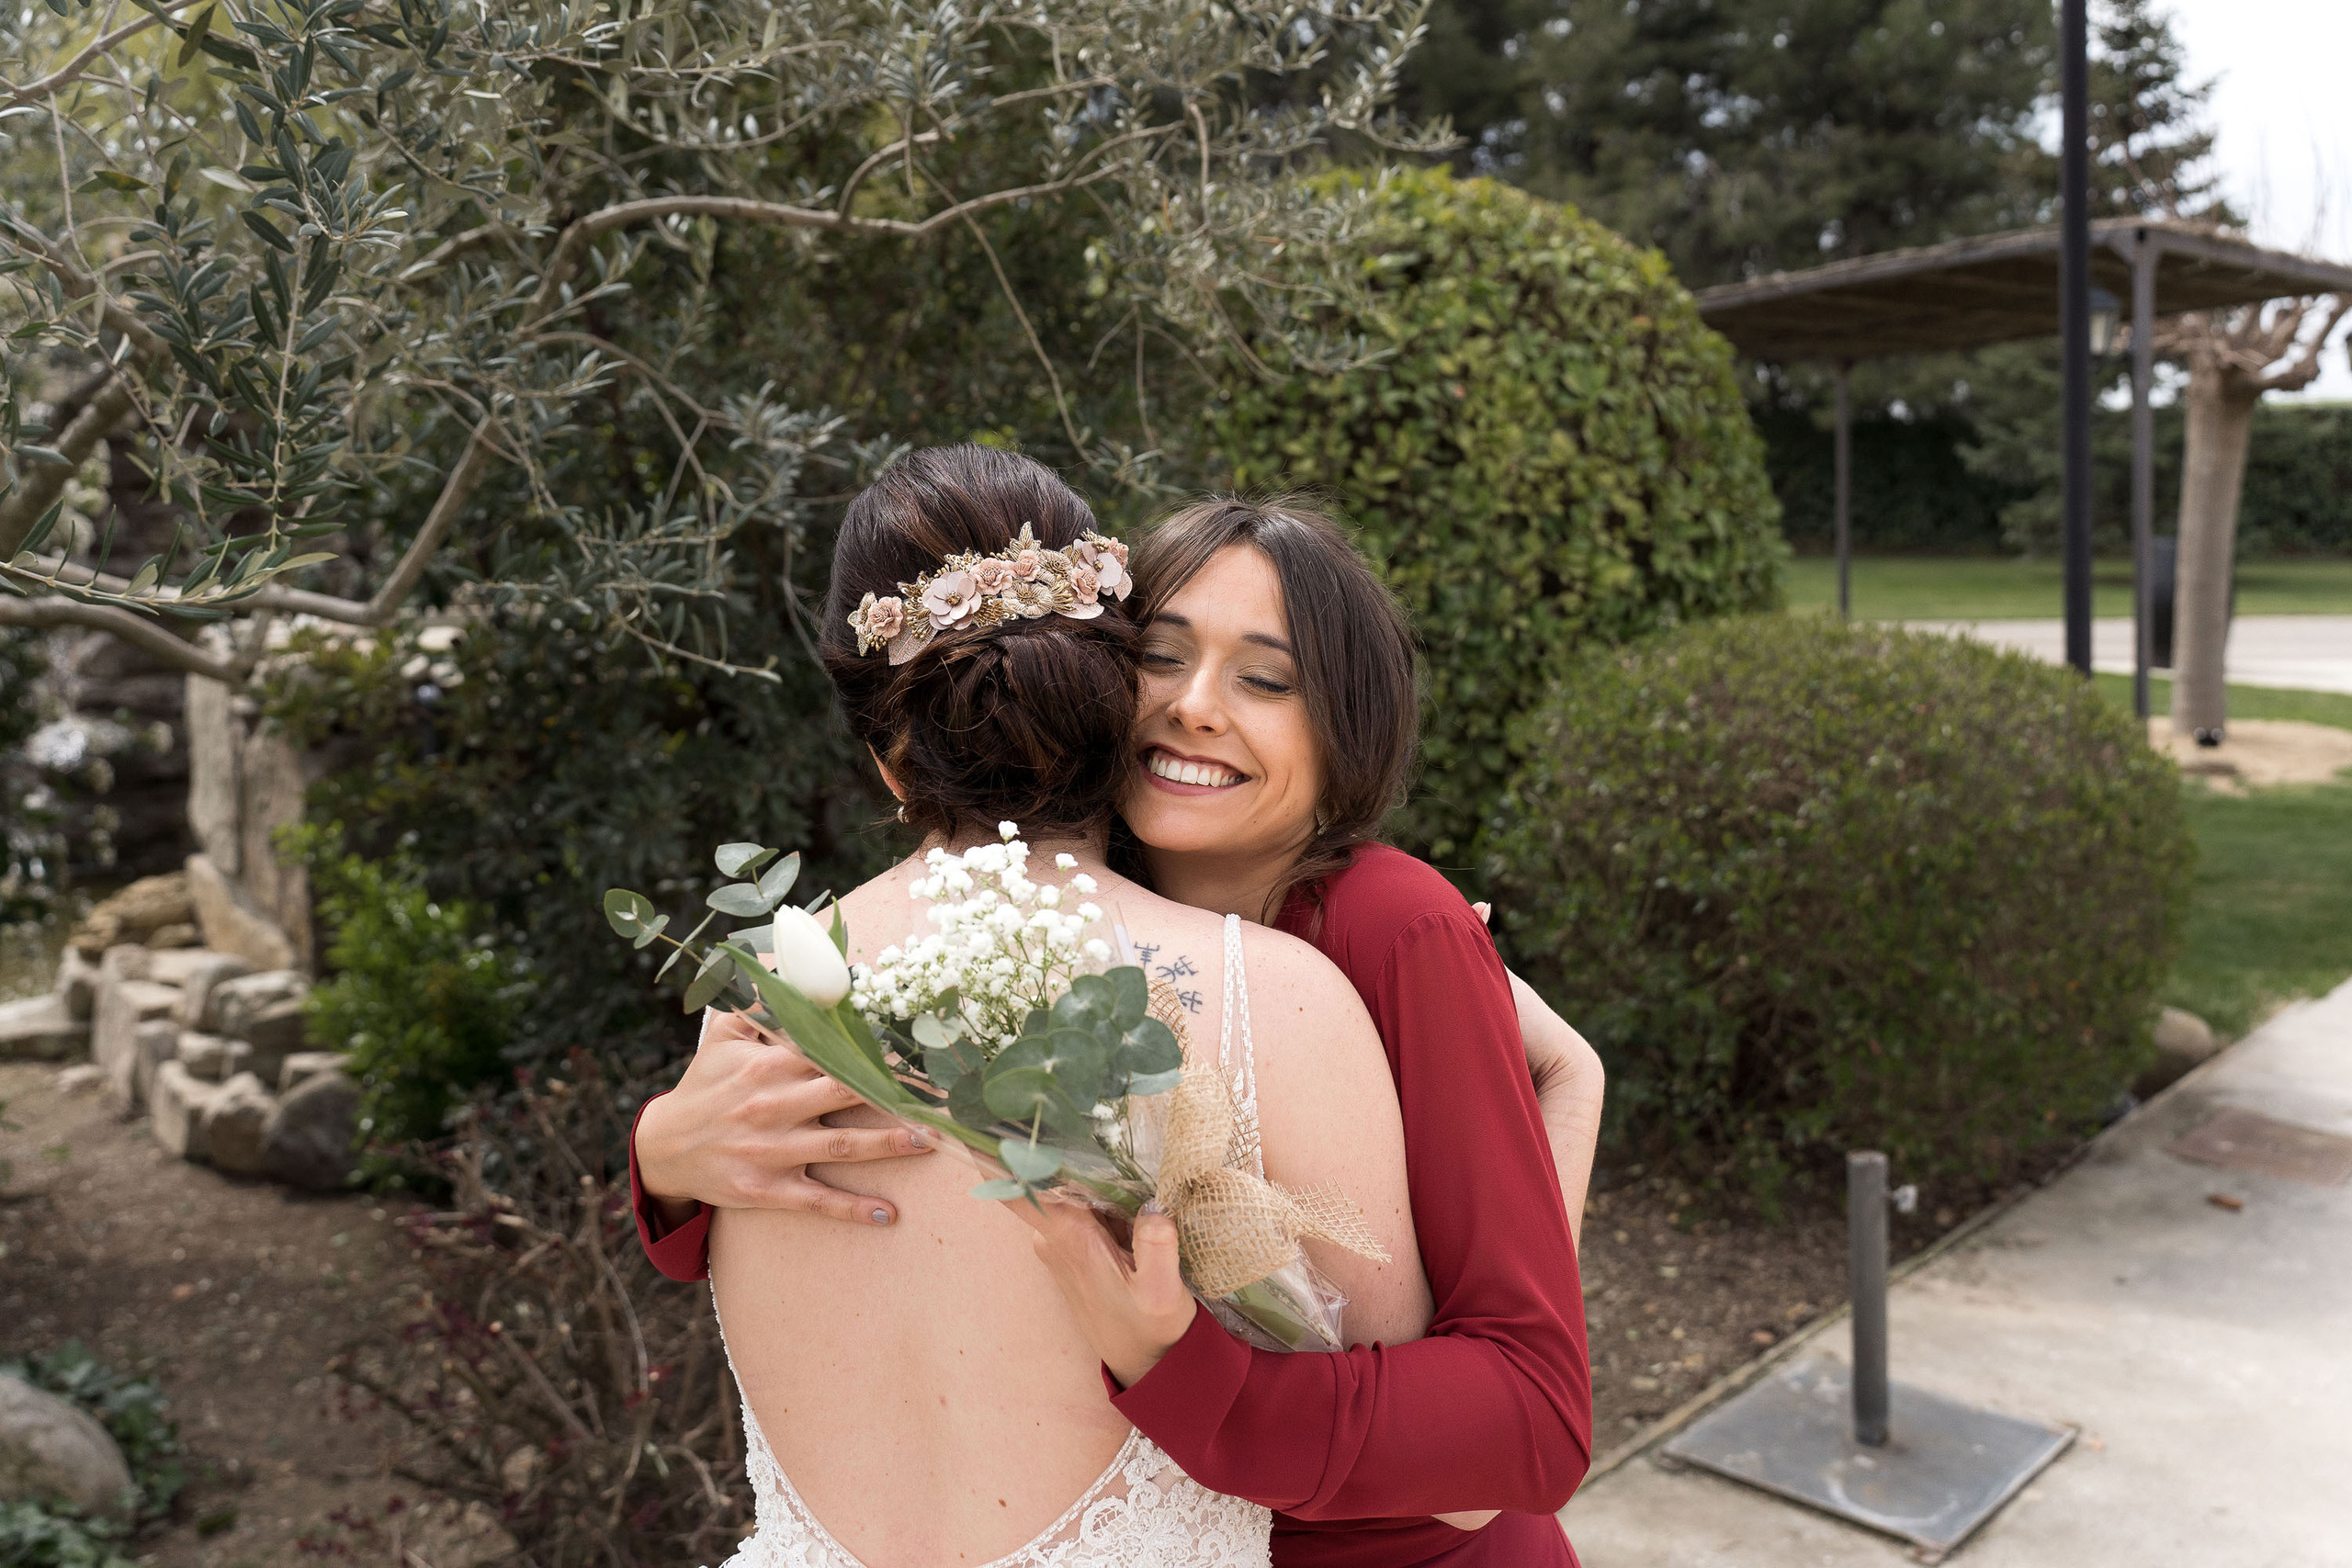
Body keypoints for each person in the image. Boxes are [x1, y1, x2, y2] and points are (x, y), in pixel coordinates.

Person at [637, 491, 1601, 1564]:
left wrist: (1180, 1364)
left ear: (1343, 727)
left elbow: (1504, 1435)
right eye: (1158, 658)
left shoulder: (1382, 927)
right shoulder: (1063, 916)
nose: (1192, 707)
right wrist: (664, 1161)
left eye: (1265, 679)